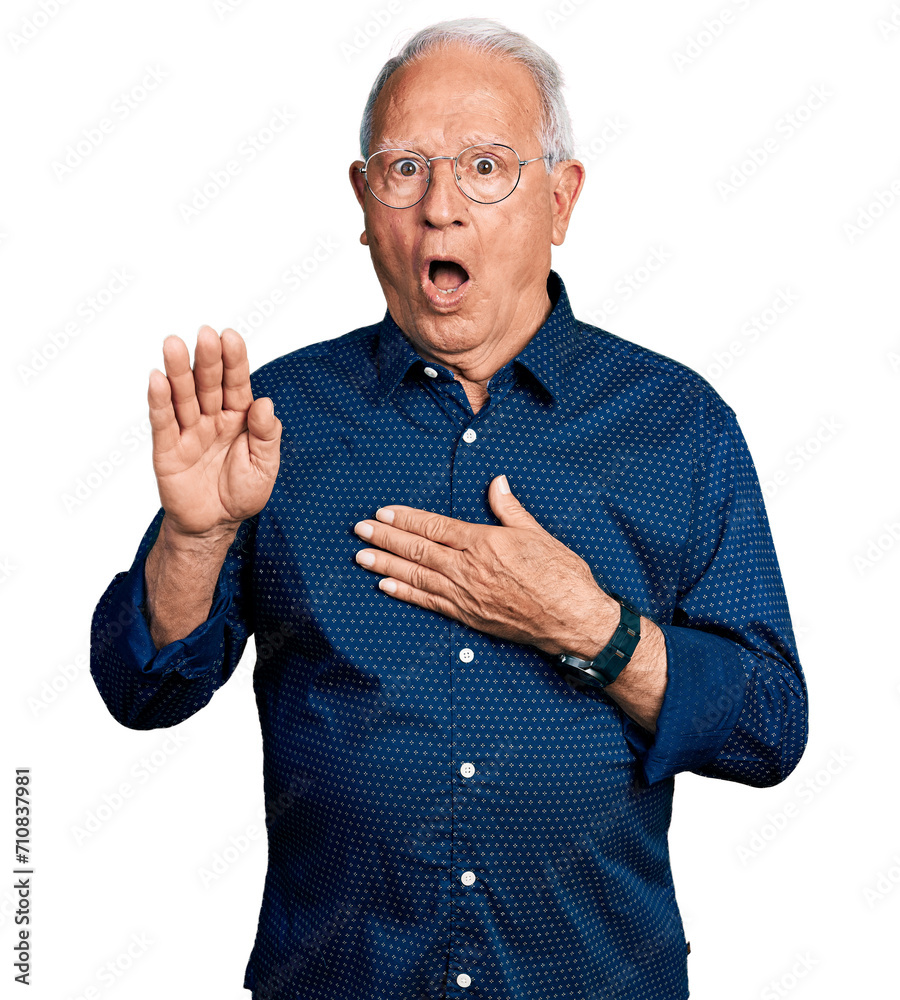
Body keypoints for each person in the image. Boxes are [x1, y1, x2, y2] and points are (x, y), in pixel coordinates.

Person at [90, 17, 808, 1000]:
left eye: (484, 167)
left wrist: (590, 627)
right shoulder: (270, 422)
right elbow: (144, 690)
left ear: (561, 200)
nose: (440, 210)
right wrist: (195, 535)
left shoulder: (678, 426)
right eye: (405, 170)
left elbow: (769, 728)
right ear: (362, 201)